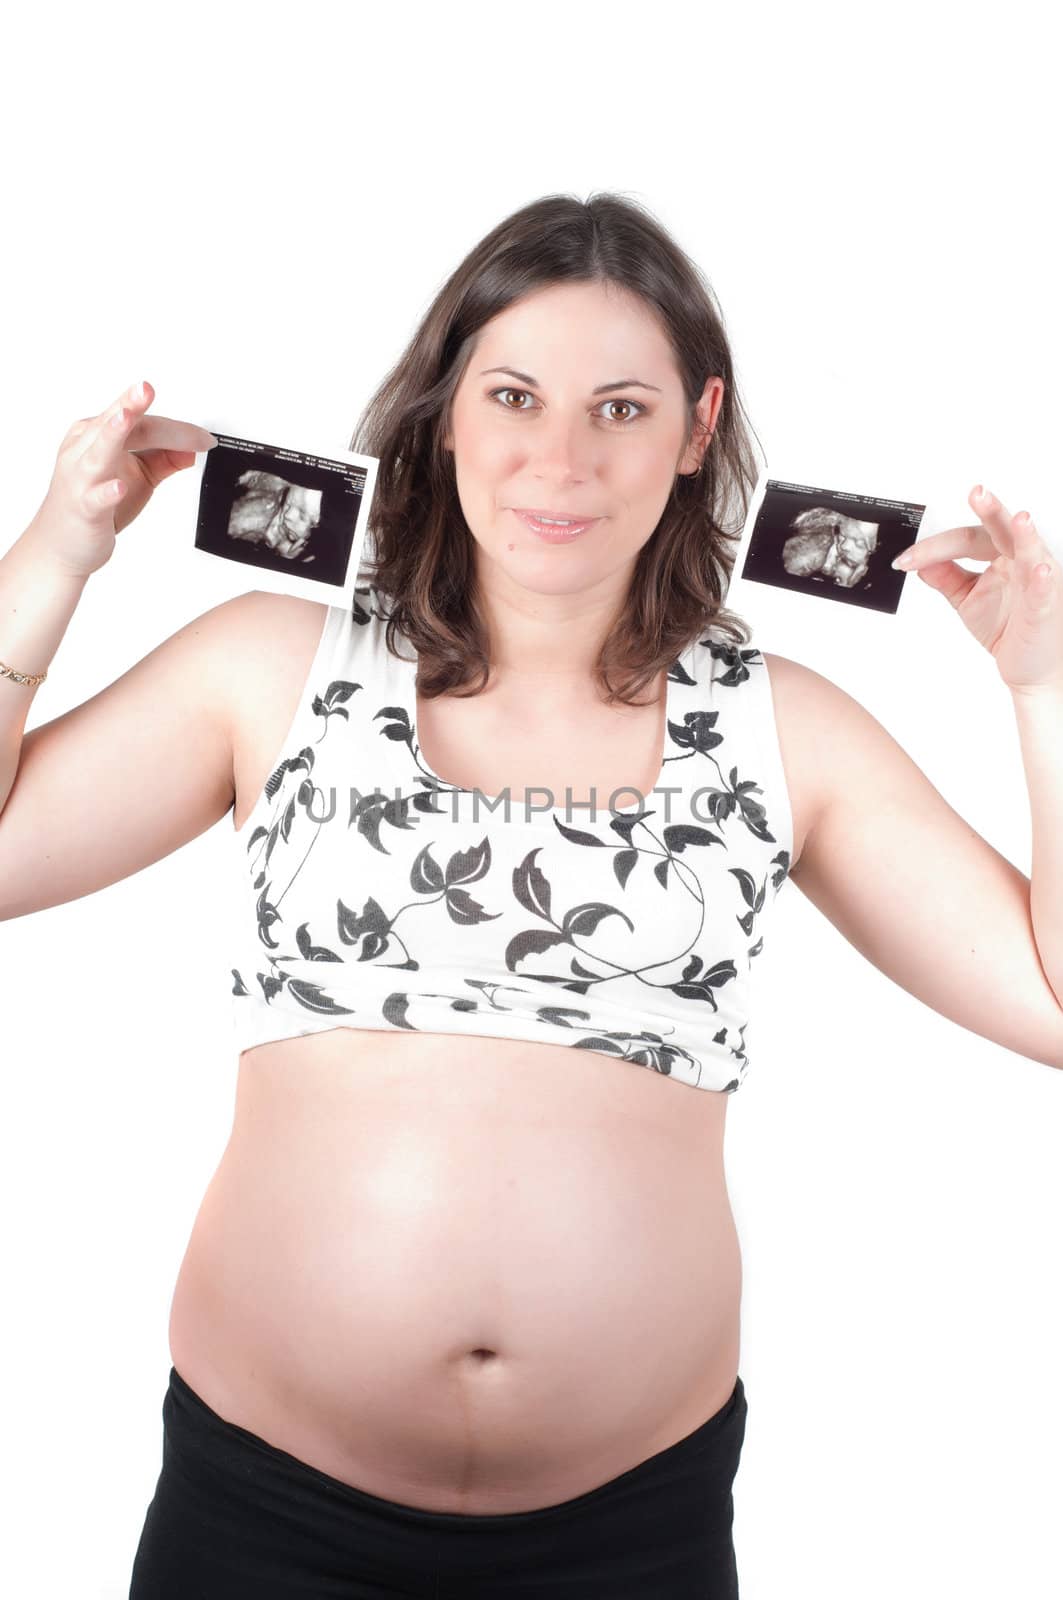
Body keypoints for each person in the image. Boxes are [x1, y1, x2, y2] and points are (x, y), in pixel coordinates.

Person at [1, 192, 1060, 1600]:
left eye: (621, 409)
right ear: (447, 415)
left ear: (696, 432)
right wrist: (56, 560)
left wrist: (1042, 684)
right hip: (266, 1517)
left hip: (627, 1535)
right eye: (514, 396)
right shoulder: (269, 670)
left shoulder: (783, 729)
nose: (559, 458)